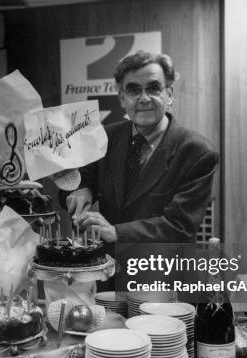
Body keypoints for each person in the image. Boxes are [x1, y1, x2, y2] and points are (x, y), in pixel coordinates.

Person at [65, 51, 219, 244]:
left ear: (169, 95)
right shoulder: (106, 137)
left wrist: (117, 233)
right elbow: (80, 182)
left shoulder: (197, 153)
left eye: (153, 89)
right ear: (122, 98)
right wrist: (82, 189)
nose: (144, 98)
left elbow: (179, 227)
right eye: (133, 90)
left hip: (161, 270)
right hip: (110, 268)